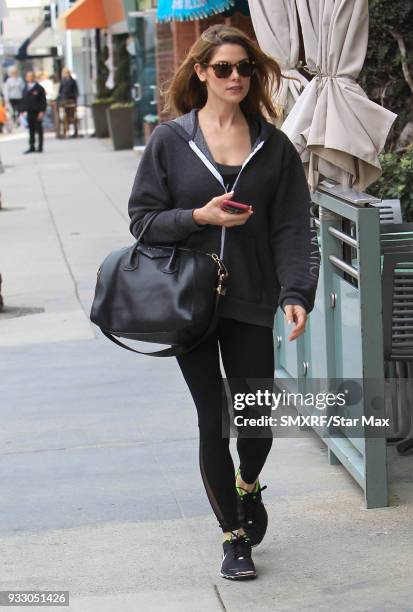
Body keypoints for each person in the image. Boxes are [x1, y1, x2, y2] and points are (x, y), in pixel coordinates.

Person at [127, 25, 319, 581]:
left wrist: (295, 292)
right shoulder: (170, 140)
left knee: (255, 417)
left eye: (244, 68)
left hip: (252, 297)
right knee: (213, 418)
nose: (236, 77)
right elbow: (142, 220)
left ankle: (248, 482)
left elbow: (291, 227)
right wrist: (198, 218)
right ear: (201, 73)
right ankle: (234, 537)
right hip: (188, 301)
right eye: (224, 68)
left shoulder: (274, 145)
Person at [21, 71, 47, 153]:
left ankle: (40, 147)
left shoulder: (39, 88)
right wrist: (22, 110)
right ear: (26, 78)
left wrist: (42, 111)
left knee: (39, 129)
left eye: (31, 76)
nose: (29, 78)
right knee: (31, 130)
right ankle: (31, 146)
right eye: (28, 76)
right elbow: (23, 100)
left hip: (37, 112)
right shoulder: (25, 88)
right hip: (29, 112)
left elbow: (43, 101)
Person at [57, 68, 79, 137]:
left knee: (73, 116)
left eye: (67, 72)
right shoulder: (62, 81)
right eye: (64, 72)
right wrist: (60, 98)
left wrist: (75, 97)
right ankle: (65, 131)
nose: (65, 74)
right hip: (64, 100)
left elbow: (76, 90)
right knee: (65, 116)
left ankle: (75, 131)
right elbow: (60, 91)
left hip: (71, 99)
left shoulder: (73, 81)